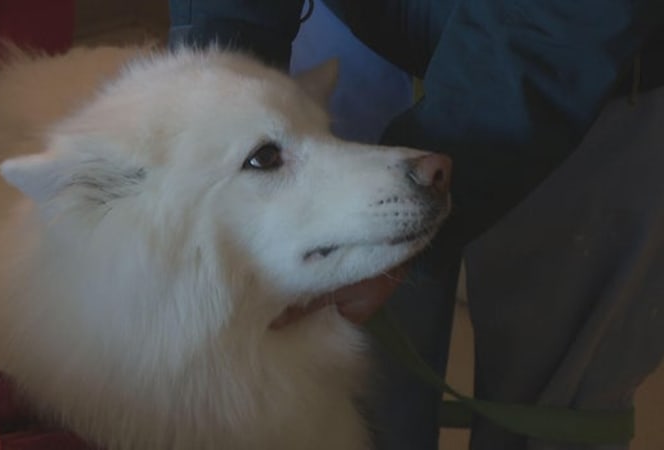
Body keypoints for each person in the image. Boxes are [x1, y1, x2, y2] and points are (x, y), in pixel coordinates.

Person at [168, 0, 664, 449]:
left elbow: (566, 18)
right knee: (360, 388)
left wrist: (408, 207)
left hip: (585, 60)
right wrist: (215, 86)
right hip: (362, 29)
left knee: (553, 407)